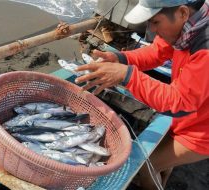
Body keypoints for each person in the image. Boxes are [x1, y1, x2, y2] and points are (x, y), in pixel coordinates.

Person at [75, 0, 209, 189]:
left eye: (155, 22)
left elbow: (180, 103)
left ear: (182, 12)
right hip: (189, 117)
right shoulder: (188, 26)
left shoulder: (205, 50)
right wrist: (122, 59)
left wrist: (127, 75)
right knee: (163, 158)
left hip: (202, 131)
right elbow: (156, 52)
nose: (152, 30)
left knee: (147, 164)